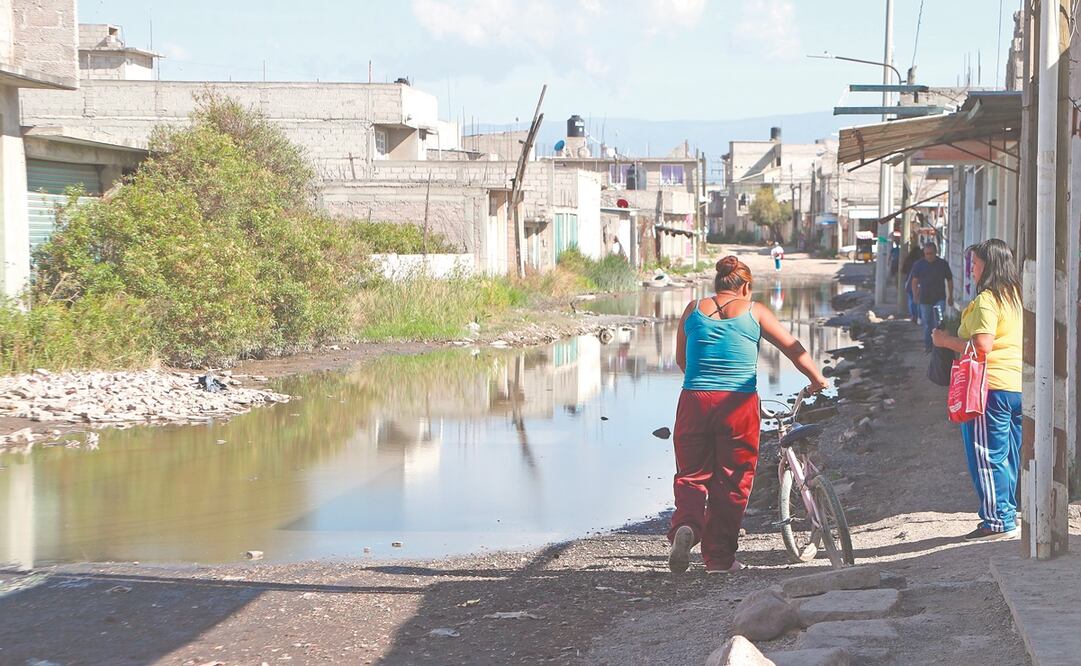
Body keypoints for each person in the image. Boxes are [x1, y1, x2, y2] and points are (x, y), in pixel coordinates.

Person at [669, 256, 829, 573]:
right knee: (733, 479)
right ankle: (718, 559)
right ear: (745, 286)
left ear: (717, 283)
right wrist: (817, 379)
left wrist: (704, 388)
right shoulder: (755, 311)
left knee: (691, 475)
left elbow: (681, 360)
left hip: (693, 400)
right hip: (738, 405)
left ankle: (686, 527)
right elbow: (793, 348)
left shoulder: (692, 309)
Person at [931, 239, 1022, 541]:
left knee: (987, 455)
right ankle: (1007, 514)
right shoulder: (1017, 297)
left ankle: (997, 522)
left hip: (990, 387)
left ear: (990, 265)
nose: (971, 268)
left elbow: (982, 346)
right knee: (1009, 455)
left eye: (976, 263)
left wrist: (945, 341)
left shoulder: (987, 300)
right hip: (1017, 385)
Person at [910, 242, 954, 351]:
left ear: (936, 253)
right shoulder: (919, 265)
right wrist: (915, 295)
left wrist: (950, 296)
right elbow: (914, 281)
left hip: (939, 298)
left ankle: (939, 347)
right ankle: (928, 346)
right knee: (927, 324)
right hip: (925, 299)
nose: (929, 256)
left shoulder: (942, 264)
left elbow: (949, 280)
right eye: (926, 254)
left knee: (939, 323)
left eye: (931, 253)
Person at [900, 237, 924, 324]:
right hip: (921, 283)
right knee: (921, 301)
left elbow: (903, 270)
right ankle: (920, 317)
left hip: (910, 283)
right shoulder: (922, 261)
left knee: (912, 300)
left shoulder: (908, 260)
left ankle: (914, 316)